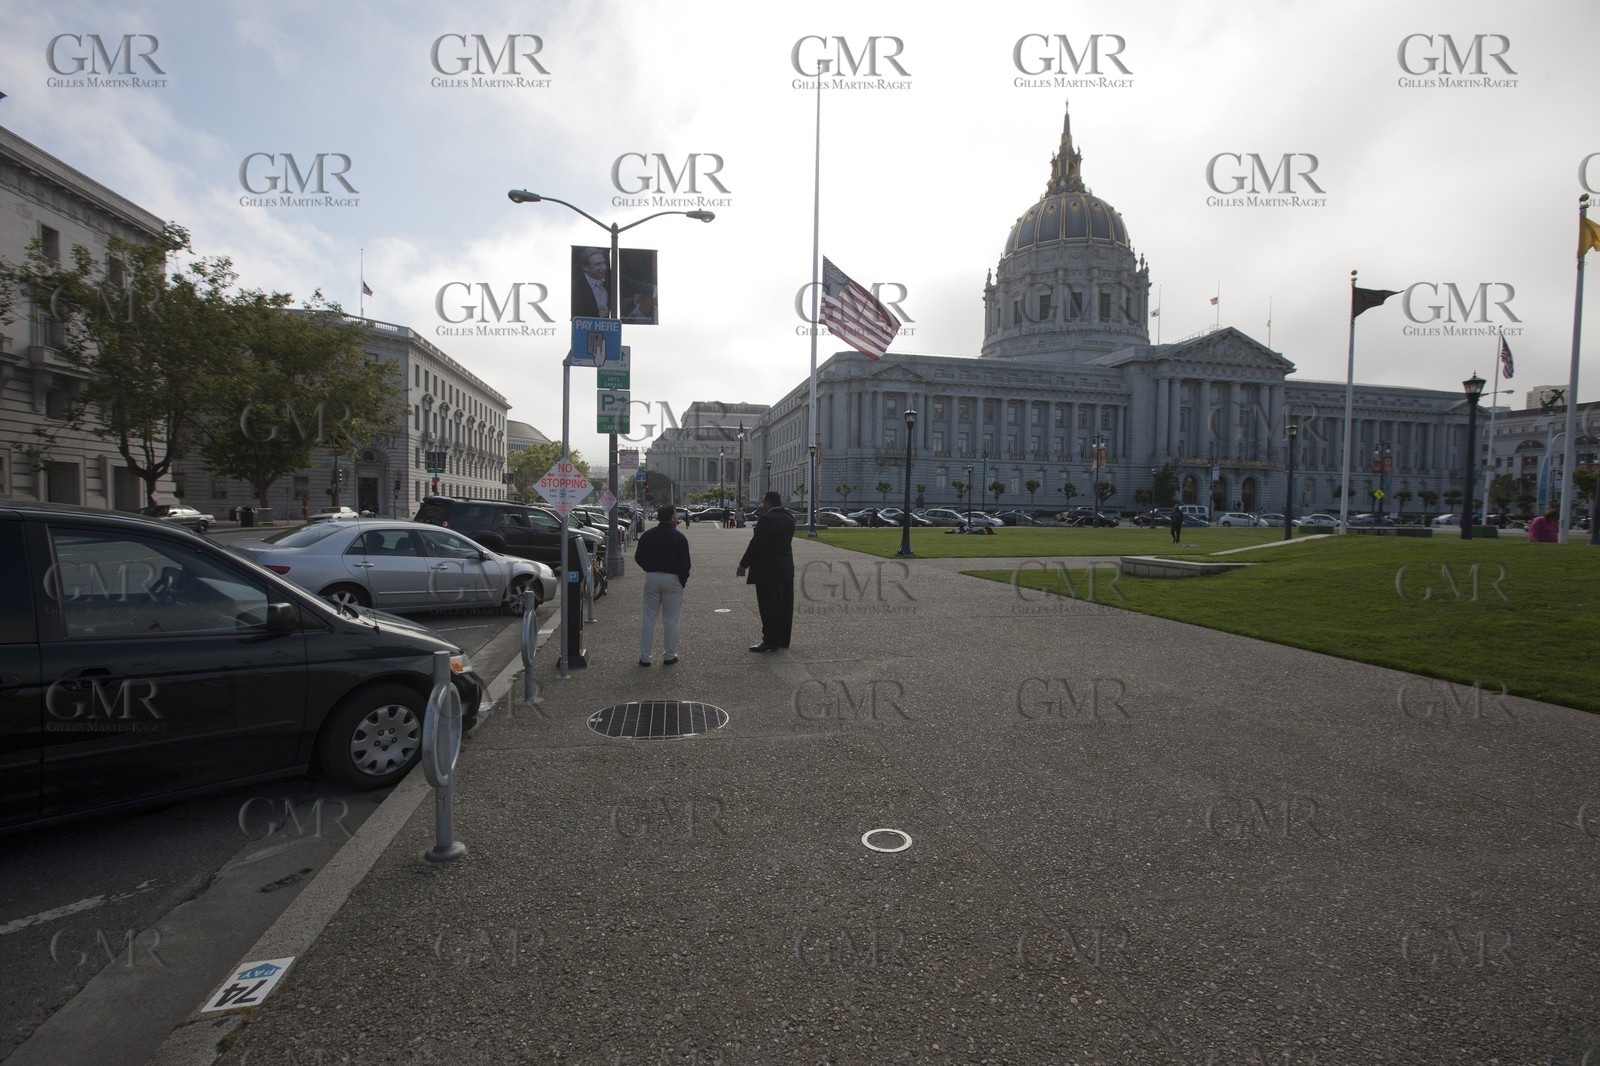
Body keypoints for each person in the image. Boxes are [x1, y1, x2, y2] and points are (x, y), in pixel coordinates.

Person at [736, 490, 795, 652]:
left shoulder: (767, 520)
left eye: (763, 503)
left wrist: (743, 564)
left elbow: (756, 544)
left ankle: (769, 639)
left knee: (769, 607)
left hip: (768, 571)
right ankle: (783, 639)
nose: (762, 506)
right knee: (784, 607)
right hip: (786, 569)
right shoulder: (789, 518)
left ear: (768, 502)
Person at [633, 505, 690, 666]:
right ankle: (669, 655)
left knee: (649, 618)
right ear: (672, 518)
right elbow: (685, 564)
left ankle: (645, 657)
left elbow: (639, 557)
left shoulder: (648, 535)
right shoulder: (679, 537)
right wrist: (682, 580)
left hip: (652, 577)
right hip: (673, 579)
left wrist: (649, 568)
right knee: (671, 620)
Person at [572, 247, 610, 318]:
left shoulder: (610, 283)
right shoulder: (575, 287)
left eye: (604, 263)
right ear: (585, 267)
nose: (604, 268)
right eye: (598, 264)